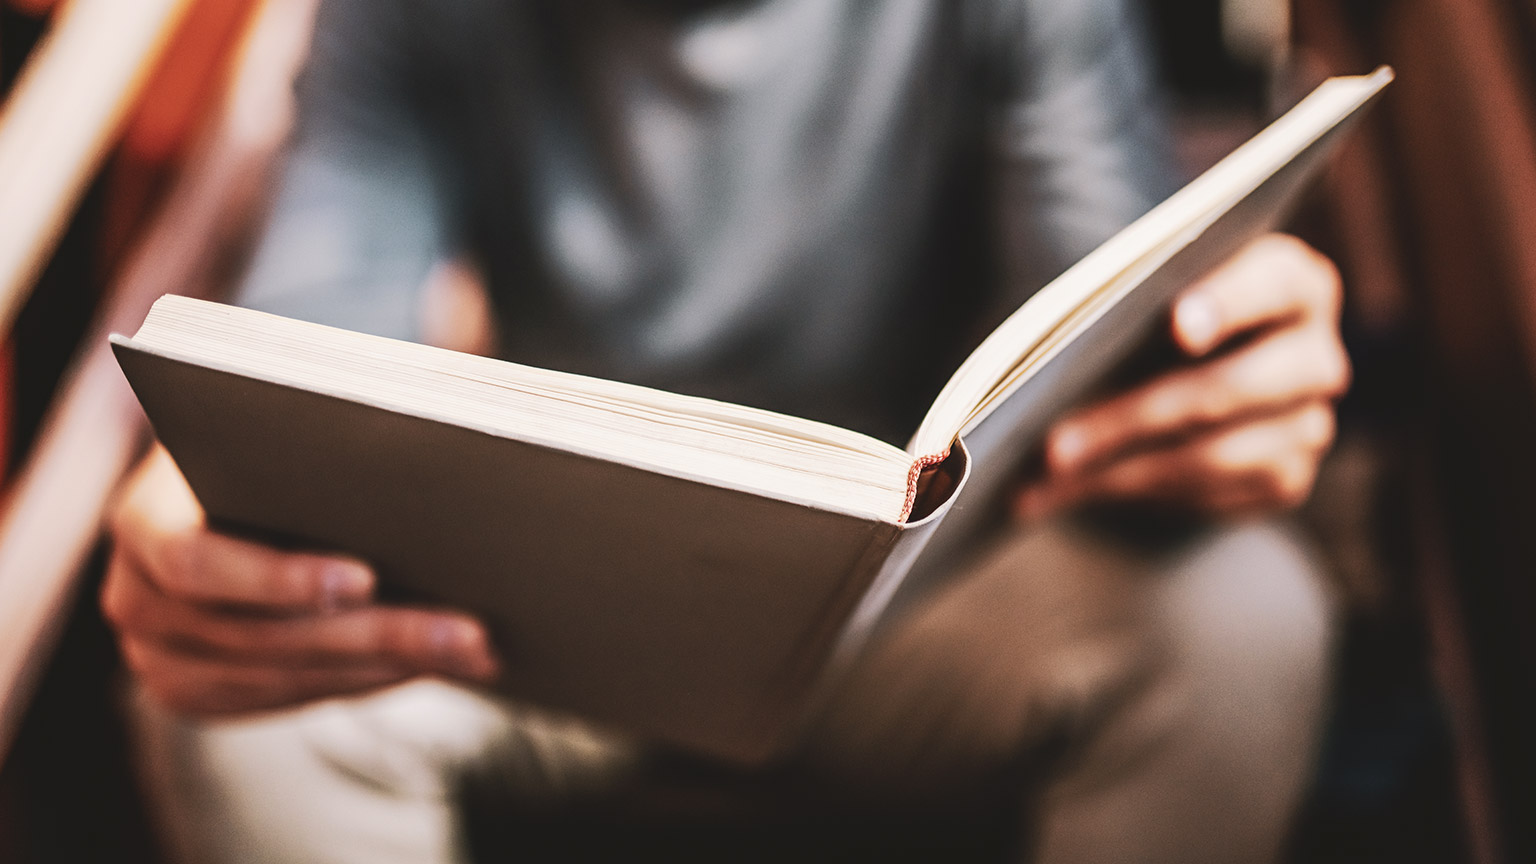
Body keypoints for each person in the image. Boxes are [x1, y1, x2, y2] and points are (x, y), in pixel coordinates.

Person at [102, 1, 1349, 861]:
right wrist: (196, 499)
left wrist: (1226, 362)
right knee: (236, 695)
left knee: (1243, 618)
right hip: (548, 613)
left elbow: (1106, 315)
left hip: (919, 604)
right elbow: (305, 331)